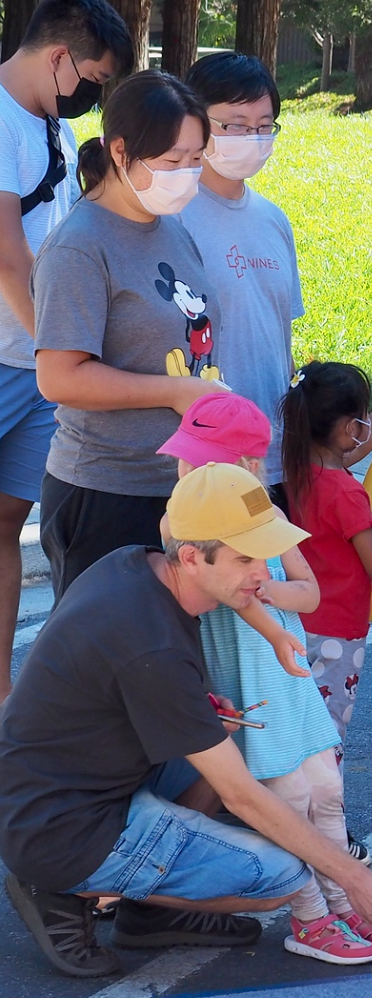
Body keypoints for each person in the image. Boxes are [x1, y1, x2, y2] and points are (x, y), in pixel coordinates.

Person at [0, 461, 372, 979]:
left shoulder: (134, 565)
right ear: (192, 557)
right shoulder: (150, 642)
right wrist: (359, 880)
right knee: (283, 877)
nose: (262, 573)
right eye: (245, 557)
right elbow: (242, 795)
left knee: (227, 735)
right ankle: (65, 887)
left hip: (61, 789)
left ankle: (151, 912)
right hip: (61, 830)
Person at [157, 393, 372, 963]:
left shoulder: (268, 518)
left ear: (247, 468)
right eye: (185, 459)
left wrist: (262, 586)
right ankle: (309, 918)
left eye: (202, 461)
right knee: (289, 797)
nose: (185, 471)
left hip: (287, 677)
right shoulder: (181, 519)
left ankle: (347, 904)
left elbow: (311, 590)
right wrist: (255, 597)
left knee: (327, 789)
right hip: (246, 685)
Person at [34, 69, 225, 605]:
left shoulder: (169, 224)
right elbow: (59, 377)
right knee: (106, 669)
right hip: (106, 491)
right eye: (171, 162)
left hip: (179, 488)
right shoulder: (80, 246)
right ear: (120, 151)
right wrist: (174, 392)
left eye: (195, 159)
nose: (186, 175)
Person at [0, 0, 131, 702]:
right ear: (59, 57)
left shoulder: (45, 118)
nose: (92, 95)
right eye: (93, 78)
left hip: (31, 363)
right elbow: (9, 258)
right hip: (18, 357)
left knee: (7, 530)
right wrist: (60, 354)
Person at [281, 360, 372, 859]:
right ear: (347, 427)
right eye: (363, 418)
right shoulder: (346, 492)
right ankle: (328, 836)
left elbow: (346, 452)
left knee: (298, 728)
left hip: (298, 625)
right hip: (338, 636)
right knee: (328, 739)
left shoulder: (297, 471)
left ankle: (292, 820)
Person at [181, 51, 303, 486]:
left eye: (264, 126)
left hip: (272, 457)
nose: (251, 138)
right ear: (194, 120)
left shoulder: (274, 220)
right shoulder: (170, 214)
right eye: (234, 125)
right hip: (201, 460)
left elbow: (280, 340)